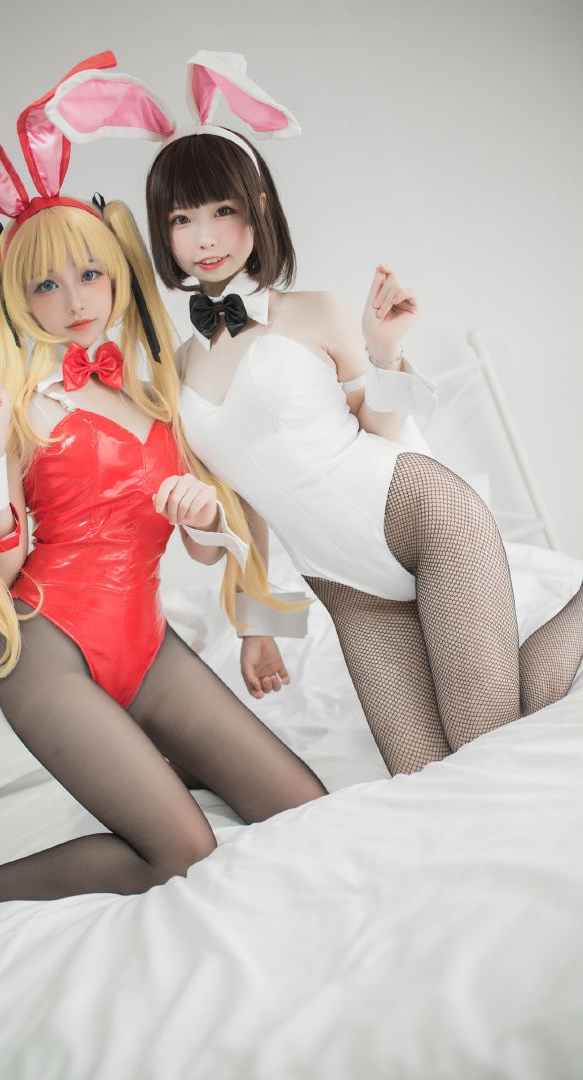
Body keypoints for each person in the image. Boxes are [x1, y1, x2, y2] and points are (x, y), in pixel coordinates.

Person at [0, 55, 326, 918]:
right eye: (44, 285)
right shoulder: (16, 406)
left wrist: (203, 515)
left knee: (303, 806)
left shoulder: (161, 396)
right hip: (43, 651)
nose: (73, 299)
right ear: (18, 300)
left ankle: (159, 760)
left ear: (120, 270)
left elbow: (208, 547)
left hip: (145, 644)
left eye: (88, 273)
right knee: (181, 853)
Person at [135, 52, 583, 776]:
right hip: (345, 587)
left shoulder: (314, 311)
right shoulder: (178, 371)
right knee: (424, 777)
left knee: (481, 748)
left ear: (258, 208)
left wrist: (382, 352)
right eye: (181, 219)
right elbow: (236, 517)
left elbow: (379, 431)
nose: (205, 237)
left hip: (421, 517)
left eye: (222, 210)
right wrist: (257, 626)